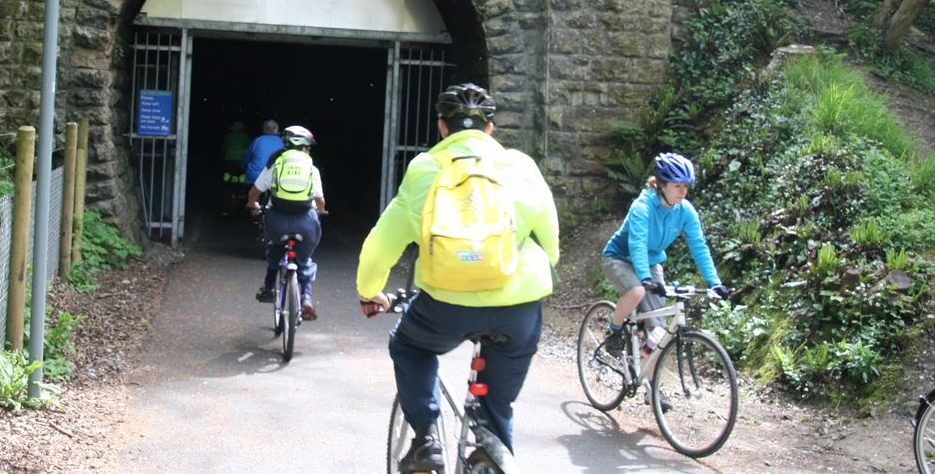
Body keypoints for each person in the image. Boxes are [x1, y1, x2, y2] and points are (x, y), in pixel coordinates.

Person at [356, 83, 559, 472]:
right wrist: (537, 272)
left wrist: (370, 292)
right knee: (496, 406)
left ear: (442, 128)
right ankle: (493, 446)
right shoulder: (519, 166)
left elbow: (382, 244)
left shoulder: (425, 170)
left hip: (445, 304)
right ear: (491, 129)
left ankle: (427, 441)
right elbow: (549, 236)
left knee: (410, 347)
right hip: (517, 308)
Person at [600, 153, 729, 373]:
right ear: (661, 185)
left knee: (657, 334)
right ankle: (614, 331)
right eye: (677, 185)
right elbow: (638, 244)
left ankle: (651, 388)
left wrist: (714, 282)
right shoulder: (642, 207)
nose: (683, 191)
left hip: (650, 265)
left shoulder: (685, 210)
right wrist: (645, 278)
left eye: (685, 186)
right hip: (619, 258)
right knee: (638, 291)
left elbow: (699, 246)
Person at [247, 125, 325, 320]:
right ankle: (306, 297)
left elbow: (254, 192)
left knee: (275, 248)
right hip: (306, 222)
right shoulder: (311, 168)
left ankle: (269, 288)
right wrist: (321, 212)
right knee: (304, 259)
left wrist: (253, 204)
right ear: (306, 147)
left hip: (277, 221)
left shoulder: (275, 164)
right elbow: (320, 200)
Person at [218, 121, 251, 216]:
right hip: (242, 161)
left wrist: (223, 159)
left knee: (227, 184)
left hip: (229, 160)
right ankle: (242, 194)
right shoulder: (246, 136)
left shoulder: (229, 135)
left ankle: (224, 208)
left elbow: (224, 148)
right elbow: (249, 149)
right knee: (242, 177)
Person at [241, 119, 284, 186]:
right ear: (277, 130)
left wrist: (243, 168)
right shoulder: (282, 143)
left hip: (255, 177)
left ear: (264, 129)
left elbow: (246, 157)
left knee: (252, 195)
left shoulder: (257, 141)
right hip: (275, 176)